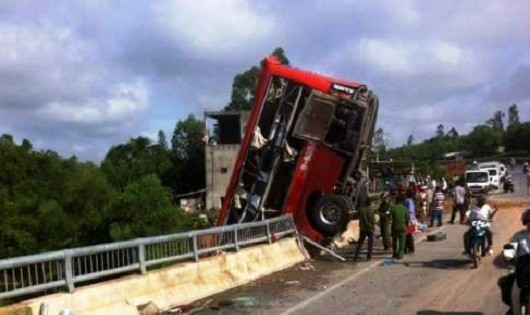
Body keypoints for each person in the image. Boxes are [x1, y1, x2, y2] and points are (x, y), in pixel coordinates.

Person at [498, 209, 530, 315]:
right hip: (523, 271)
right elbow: (510, 248)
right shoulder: (519, 236)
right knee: (504, 281)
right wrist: (509, 255)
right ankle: (512, 307)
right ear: (526, 222)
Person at [354, 186, 375, 261]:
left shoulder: (361, 209)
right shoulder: (371, 210)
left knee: (360, 243)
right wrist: (373, 227)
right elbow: (373, 220)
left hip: (362, 229)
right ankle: (369, 257)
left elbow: (356, 216)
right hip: (370, 229)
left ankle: (356, 256)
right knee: (370, 243)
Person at [391, 193, 409, 260]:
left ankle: (395, 253)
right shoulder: (405, 209)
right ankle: (400, 255)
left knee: (394, 241)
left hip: (395, 226)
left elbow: (390, 216)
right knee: (402, 241)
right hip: (403, 226)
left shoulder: (393, 208)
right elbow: (407, 218)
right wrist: (406, 225)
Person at [404, 189, 417, 254]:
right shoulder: (411, 200)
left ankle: (411, 248)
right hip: (412, 220)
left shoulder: (408, 201)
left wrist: (407, 219)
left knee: (408, 235)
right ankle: (408, 248)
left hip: (409, 220)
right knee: (408, 235)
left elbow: (410, 211)